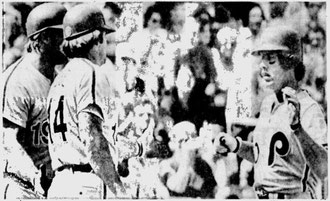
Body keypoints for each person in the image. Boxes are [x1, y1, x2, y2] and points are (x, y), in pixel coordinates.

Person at [215, 23, 328, 199]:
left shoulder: (308, 108)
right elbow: (265, 157)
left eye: (271, 60)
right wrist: (236, 145)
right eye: (262, 59)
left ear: (290, 62)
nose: (263, 66)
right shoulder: (268, 103)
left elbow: (324, 168)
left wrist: (298, 129)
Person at [46, 4, 133, 199]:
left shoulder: (59, 79)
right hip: (86, 186)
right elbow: (92, 137)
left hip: (59, 184)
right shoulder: (90, 71)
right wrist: (120, 192)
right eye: (104, 37)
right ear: (96, 37)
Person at [2, 3, 67, 199]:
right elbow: (7, 143)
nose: (70, 41)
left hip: (46, 187)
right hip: (18, 186)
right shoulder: (18, 80)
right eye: (64, 34)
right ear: (45, 37)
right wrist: (35, 175)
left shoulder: (59, 78)